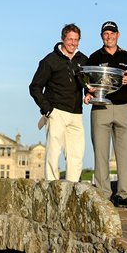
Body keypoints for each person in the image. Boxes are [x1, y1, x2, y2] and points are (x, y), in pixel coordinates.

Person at [84, 21, 127, 208]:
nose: (109, 37)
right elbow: (86, 81)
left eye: (112, 33)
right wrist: (88, 91)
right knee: (101, 153)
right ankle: (104, 195)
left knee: (126, 153)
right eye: (106, 34)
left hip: (124, 107)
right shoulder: (93, 57)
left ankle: (125, 195)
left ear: (118, 35)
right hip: (101, 108)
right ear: (102, 36)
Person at [29, 23, 87, 182]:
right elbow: (34, 87)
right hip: (56, 112)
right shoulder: (49, 60)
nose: (73, 43)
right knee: (53, 154)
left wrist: (89, 94)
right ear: (63, 39)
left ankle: (73, 188)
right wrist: (48, 110)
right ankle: (52, 187)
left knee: (76, 155)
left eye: (76, 40)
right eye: (70, 39)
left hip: (76, 114)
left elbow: (89, 83)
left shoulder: (83, 59)